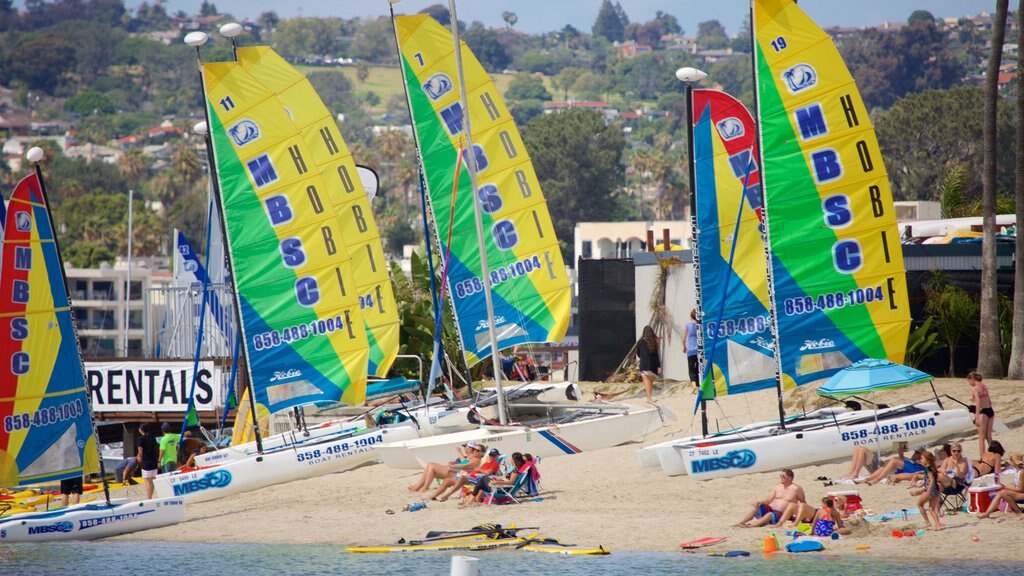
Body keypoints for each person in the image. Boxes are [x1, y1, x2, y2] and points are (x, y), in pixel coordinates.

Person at [734, 469, 806, 527]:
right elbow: (768, 500)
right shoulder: (777, 487)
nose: (781, 478)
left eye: (783, 476)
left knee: (770, 514)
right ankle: (740, 523)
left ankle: (751, 526)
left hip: (782, 515)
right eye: (780, 476)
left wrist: (803, 515)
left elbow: (803, 502)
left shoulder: (796, 489)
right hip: (772, 510)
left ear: (790, 478)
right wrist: (760, 502)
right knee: (756, 507)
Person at [428, 448, 501, 502]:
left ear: (497, 456)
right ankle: (433, 496)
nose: (491, 457)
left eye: (494, 455)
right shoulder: (486, 463)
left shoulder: (495, 464)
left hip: (478, 480)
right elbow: (467, 465)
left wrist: (478, 469)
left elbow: (488, 473)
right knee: (447, 480)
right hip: (471, 476)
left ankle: (446, 495)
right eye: (490, 455)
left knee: (462, 478)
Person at [407, 441, 483, 493]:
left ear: (470, 448)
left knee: (432, 467)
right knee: (429, 465)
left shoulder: (474, 457)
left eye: (466, 447)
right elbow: (464, 462)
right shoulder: (470, 456)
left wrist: (459, 453)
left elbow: (465, 465)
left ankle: (425, 487)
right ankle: (418, 486)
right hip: (454, 471)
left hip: (456, 474)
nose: (464, 448)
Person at [461, 452, 528, 508]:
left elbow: (510, 482)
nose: (511, 460)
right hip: (500, 487)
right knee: (481, 483)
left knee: (484, 478)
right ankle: (471, 501)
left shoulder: (515, 471)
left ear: (515, 460)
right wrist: (498, 479)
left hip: (501, 490)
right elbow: (507, 480)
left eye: (512, 459)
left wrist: (497, 482)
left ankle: (471, 501)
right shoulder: (514, 469)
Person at [978, 453, 1024, 519]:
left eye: (1011, 460)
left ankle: (1018, 511)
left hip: (1022, 493)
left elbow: (1021, 489)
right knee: (1001, 493)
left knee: (1003, 492)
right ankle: (987, 513)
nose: (1010, 462)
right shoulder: (1016, 470)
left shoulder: (1021, 472)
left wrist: (1005, 487)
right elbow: (1016, 487)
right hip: (1020, 492)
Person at [857, 445, 927, 486]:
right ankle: (867, 479)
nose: (916, 453)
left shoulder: (927, 458)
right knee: (886, 465)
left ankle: (877, 479)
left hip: (916, 468)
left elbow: (929, 465)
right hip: (911, 465)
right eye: (916, 452)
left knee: (893, 460)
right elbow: (912, 459)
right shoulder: (914, 458)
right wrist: (901, 453)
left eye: (918, 453)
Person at [967, 371, 995, 459]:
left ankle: (982, 457)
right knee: (989, 436)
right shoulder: (984, 386)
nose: (969, 384)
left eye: (969, 381)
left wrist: (977, 416)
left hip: (983, 412)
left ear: (972, 379)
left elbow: (978, 402)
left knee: (981, 437)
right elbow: (989, 400)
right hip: (990, 410)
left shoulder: (975, 388)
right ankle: (995, 454)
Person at [915, 451, 945, 531]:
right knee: (932, 509)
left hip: (930, 490)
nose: (921, 460)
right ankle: (938, 524)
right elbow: (930, 480)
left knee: (919, 504)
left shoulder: (928, 469)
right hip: (936, 491)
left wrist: (928, 491)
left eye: (922, 458)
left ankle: (927, 522)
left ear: (927, 460)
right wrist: (922, 485)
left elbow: (931, 481)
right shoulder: (932, 468)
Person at [636, 325, 660, 403]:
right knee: (650, 382)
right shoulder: (654, 342)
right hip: (652, 366)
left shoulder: (640, 342)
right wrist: (658, 366)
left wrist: (643, 357)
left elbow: (638, 354)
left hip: (644, 365)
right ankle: (650, 398)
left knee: (646, 383)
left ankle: (649, 398)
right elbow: (656, 355)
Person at [137, 423, 160, 500]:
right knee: (152, 479)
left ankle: (149, 497)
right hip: (153, 460)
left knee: (147, 480)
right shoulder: (152, 437)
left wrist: (139, 457)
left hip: (146, 460)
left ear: (141, 430)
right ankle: (150, 496)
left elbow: (140, 450)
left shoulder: (141, 438)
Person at [682, 309, 700, 394]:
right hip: (699, 350)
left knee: (691, 369)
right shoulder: (700, 325)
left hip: (690, 350)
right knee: (698, 368)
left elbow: (684, 338)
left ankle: (694, 386)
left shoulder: (687, 325)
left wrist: (684, 346)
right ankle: (699, 385)